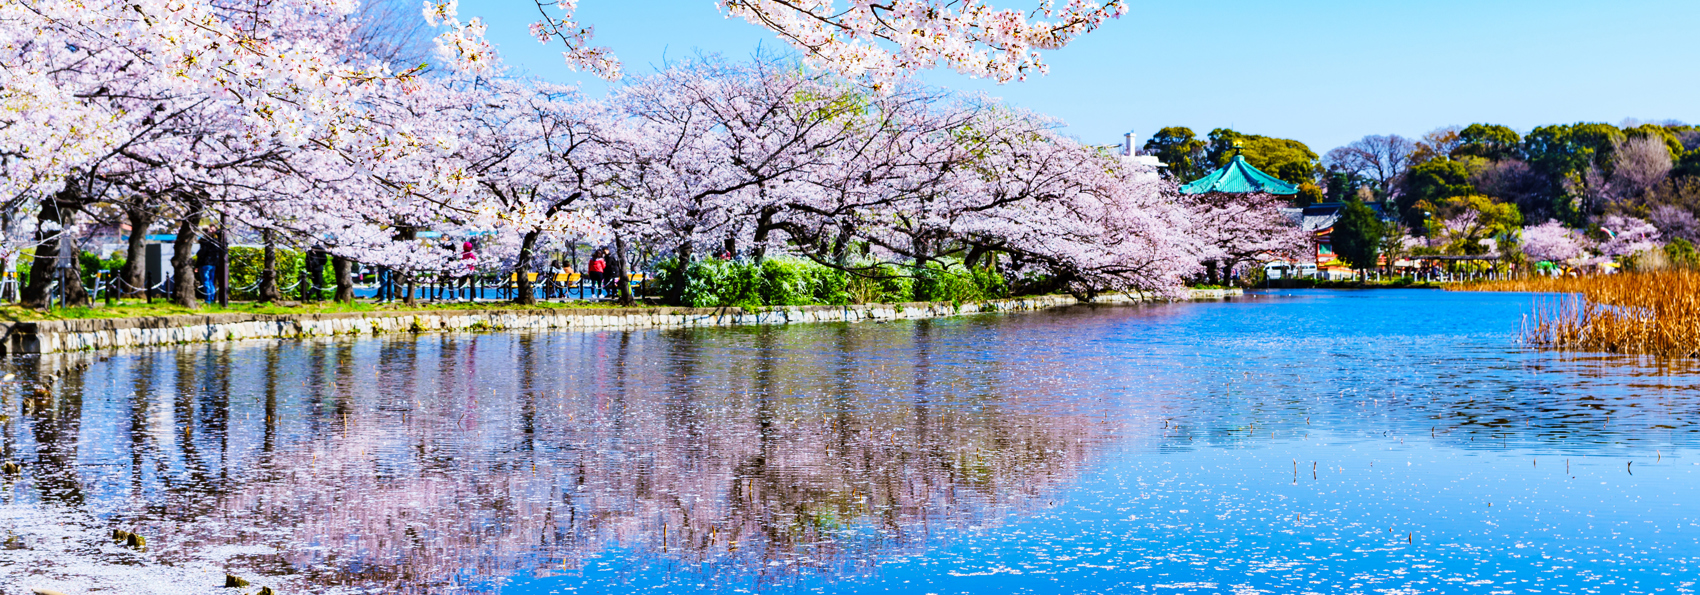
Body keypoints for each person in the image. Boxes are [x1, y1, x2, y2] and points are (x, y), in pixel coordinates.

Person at [194, 227, 222, 304]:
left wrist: (197, 265)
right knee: (211, 282)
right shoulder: (215, 241)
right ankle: (212, 299)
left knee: (206, 282)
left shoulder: (204, 242)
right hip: (213, 264)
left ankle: (208, 300)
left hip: (205, 264)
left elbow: (201, 255)